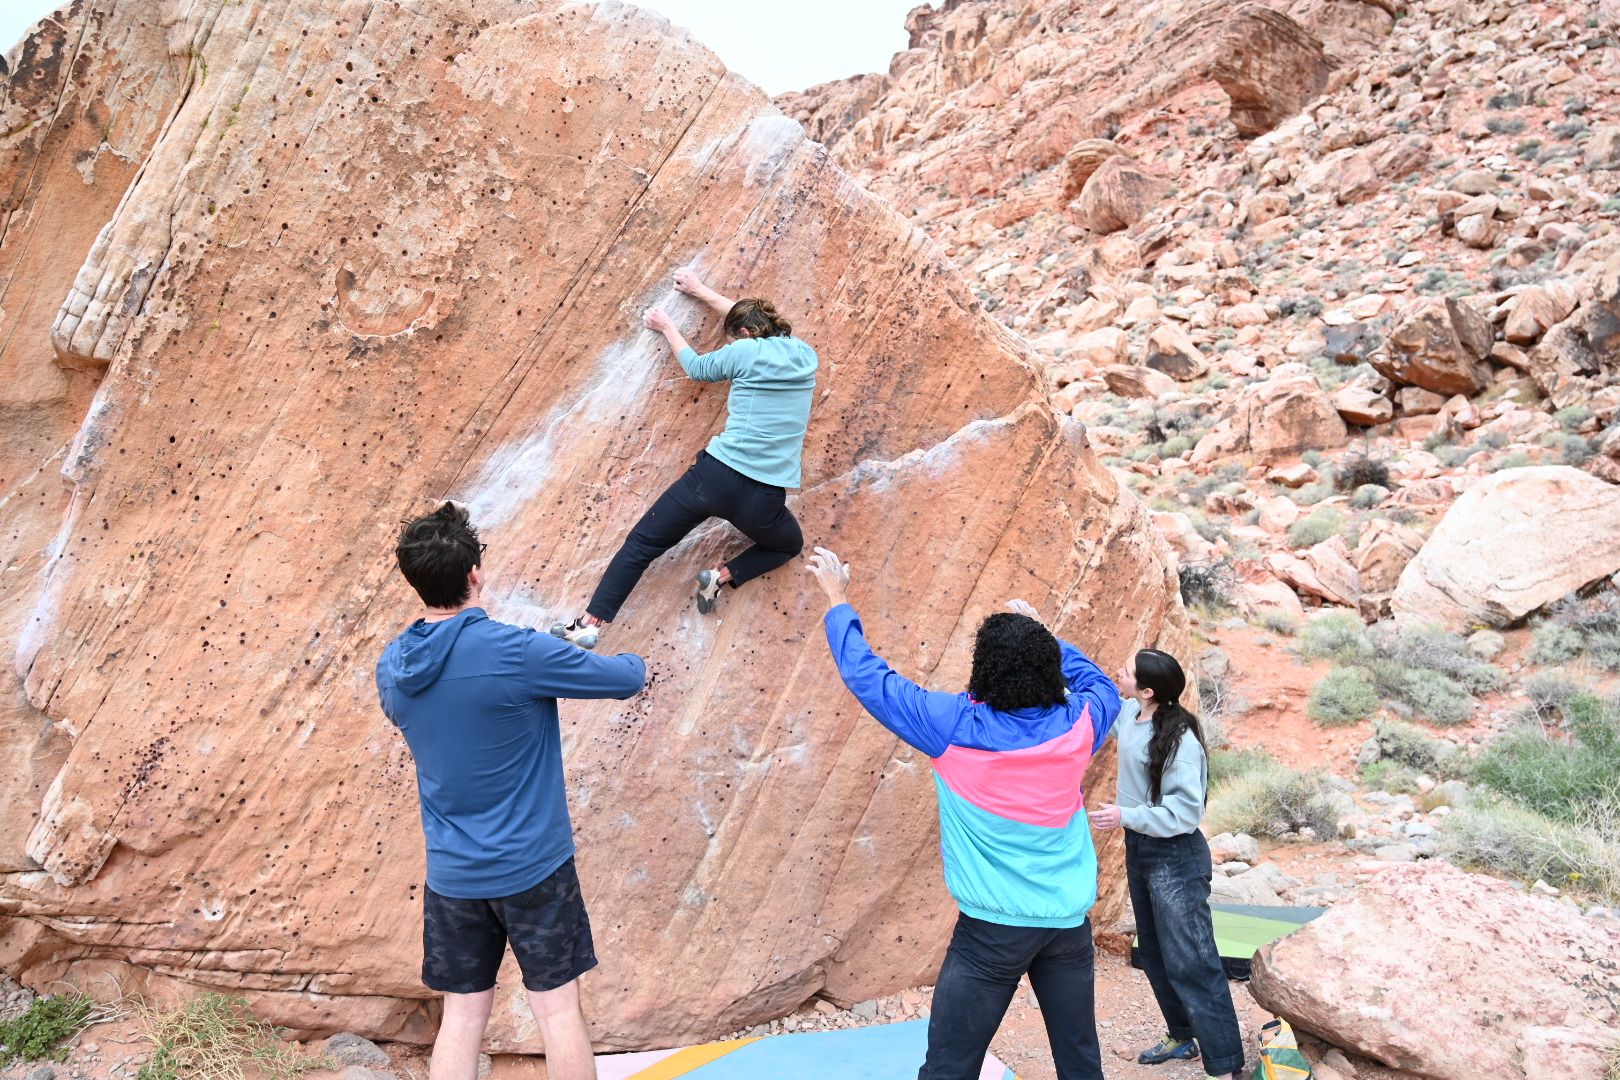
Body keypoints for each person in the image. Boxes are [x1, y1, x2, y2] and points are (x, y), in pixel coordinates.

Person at [805, 547, 1121, 1080]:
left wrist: (837, 599)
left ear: (983, 669)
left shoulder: (950, 726)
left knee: (950, 1067)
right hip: (1067, 924)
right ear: (1048, 669)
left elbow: (869, 678)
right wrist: (1047, 638)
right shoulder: (1081, 723)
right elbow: (1102, 685)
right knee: (1080, 1063)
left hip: (992, 933)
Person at [377, 502, 648, 1080]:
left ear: (415, 580)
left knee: (461, 1019)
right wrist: (581, 651)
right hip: (534, 870)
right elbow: (628, 678)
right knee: (557, 1011)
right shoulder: (520, 652)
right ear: (474, 573)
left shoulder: (394, 666)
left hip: (453, 875)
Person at [550, 268, 818, 649]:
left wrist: (667, 327)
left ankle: (589, 624)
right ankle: (720, 576)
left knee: (642, 544)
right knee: (789, 543)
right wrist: (701, 290)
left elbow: (696, 367)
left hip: (715, 478)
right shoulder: (805, 354)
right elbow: (753, 321)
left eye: (732, 339)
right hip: (764, 498)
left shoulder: (742, 351)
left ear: (743, 335)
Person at [1090, 649, 1245, 1080]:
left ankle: (1226, 1065)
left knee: (1192, 959)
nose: (1119, 672)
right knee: (1156, 953)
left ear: (1148, 691)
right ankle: (1182, 1036)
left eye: (1127, 671)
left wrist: (1125, 815)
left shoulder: (1181, 741)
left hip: (1176, 856)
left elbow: (1185, 814)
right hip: (1141, 848)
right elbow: (1090, 686)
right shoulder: (1130, 714)